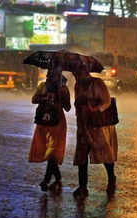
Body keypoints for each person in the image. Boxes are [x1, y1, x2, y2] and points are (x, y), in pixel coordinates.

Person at [72, 62, 118, 199]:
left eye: (80, 72)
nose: (78, 75)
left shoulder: (97, 83)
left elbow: (106, 101)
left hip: (97, 124)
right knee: (82, 156)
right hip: (83, 124)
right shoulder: (77, 85)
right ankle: (82, 187)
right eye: (76, 73)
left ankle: (111, 179)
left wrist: (95, 108)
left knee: (104, 153)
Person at [29, 75, 71, 192]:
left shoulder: (56, 87)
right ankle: (57, 176)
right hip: (49, 122)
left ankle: (46, 180)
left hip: (51, 122)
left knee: (52, 150)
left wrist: (59, 96)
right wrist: (46, 97)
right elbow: (34, 100)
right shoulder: (48, 86)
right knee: (49, 150)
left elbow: (67, 107)